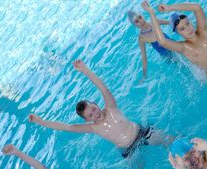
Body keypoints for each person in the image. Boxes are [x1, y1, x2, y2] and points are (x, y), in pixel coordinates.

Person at [28, 59, 170, 158]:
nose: (95, 114)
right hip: (129, 150)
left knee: (170, 141)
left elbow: (103, 88)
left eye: (94, 109)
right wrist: (41, 122)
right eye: (90, 115)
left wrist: (85, 70)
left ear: (96, 104)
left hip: (142, 133)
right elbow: (66, 127)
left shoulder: (111, 108)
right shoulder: (93, 128)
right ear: (87, 120)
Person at [141, 1, 207, 77]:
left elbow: (197, 8)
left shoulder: (203, 31)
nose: (188, 28)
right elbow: (162, 41)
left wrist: (170, 8)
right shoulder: (184, 47)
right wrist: (152, 13)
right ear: (178, 33)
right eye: (182, 29)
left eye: (187, 23)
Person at [126, 8, 172, 79]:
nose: (140, 21)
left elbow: (170, 22)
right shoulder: (142, 38)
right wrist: (144, 75)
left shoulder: (154, 22)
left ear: (143, 15)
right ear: (135, 25)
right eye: (136, 21)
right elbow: (144, 57)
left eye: (140, 17)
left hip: (174, 45)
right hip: (167, 56)